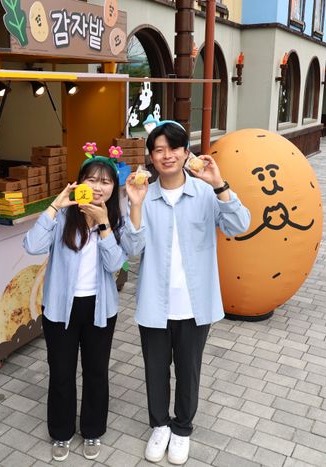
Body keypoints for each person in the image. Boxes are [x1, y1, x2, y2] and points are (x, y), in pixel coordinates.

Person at [120, 122, 251, 465]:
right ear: (150, 157)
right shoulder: (142, 196)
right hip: (155, 303)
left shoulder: (206, 193)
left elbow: (240, 225)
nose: (167, 155)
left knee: (189, 370)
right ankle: (159, 425)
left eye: (174, 148)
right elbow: (131, 249)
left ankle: (182, 428)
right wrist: (134, 205)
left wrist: (219, 184)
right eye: (159, 150)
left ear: (185, 152)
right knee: (155, 370)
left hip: (195, 304)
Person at [23, 154, 126, 462]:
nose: (97, 187)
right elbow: (31, 245)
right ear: (79, 182)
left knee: (96, 372)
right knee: (61, 373)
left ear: (113, 187)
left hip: (100, 309)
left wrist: (103, 224)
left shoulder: (114, 219)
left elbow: (116, 265)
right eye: (91, 179)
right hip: (60, 310)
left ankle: (92, 430)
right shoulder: (63, 217)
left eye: (105, 181)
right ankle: (61, 432)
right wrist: (55, 205)